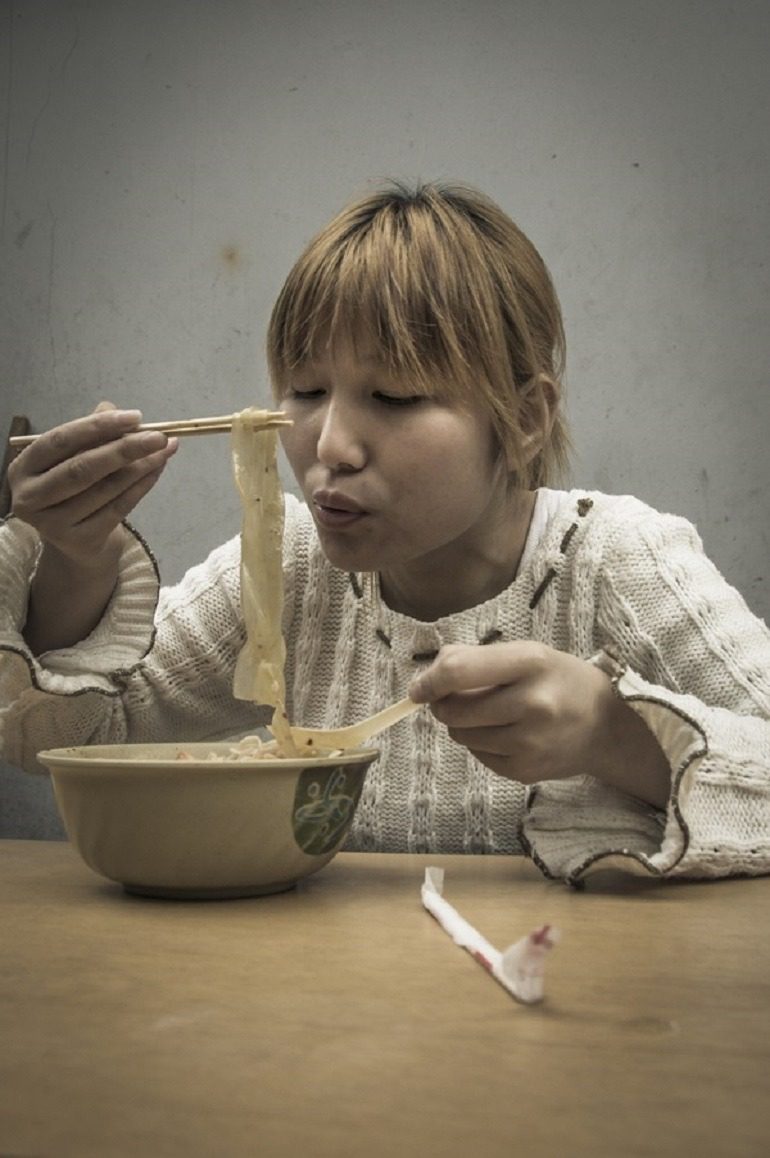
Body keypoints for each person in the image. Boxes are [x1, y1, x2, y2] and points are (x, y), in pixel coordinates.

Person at [2, 181, 769, 884]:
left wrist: (616, 735)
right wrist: (75, 557)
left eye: (395, 396)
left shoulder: (615, 562)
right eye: (304, 390)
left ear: (527, 419)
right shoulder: (289, 567)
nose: (329, 445)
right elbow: (66, 736)